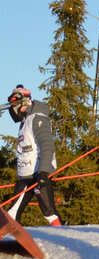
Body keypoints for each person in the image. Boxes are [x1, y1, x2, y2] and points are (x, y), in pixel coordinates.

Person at [5, 85, 63, 226]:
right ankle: (6, 234)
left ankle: (64, 235)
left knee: (49, 211)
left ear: (24, 103)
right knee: (12, 213)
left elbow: (47, 146)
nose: (14, 110)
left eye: (15, 106)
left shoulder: (37, 119)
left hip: (38, 173)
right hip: (26, 175)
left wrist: (43, 172)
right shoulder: (25, 122)